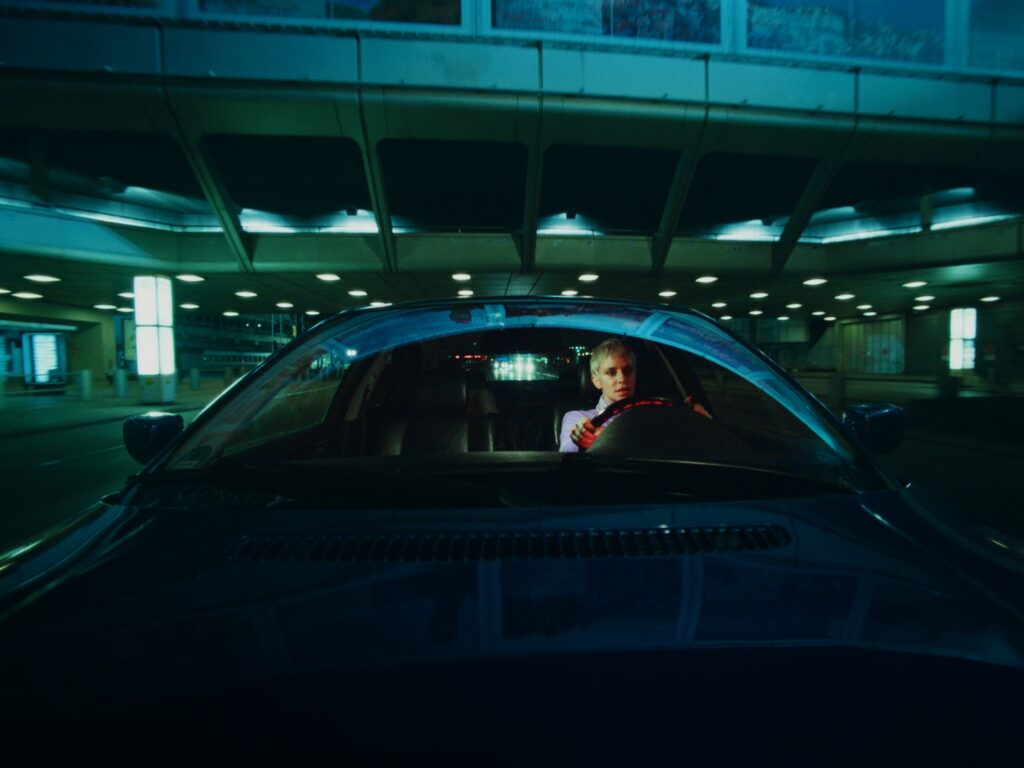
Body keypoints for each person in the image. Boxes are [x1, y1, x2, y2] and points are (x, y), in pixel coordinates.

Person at [559, 338, 636, 452]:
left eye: (628, 370)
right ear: (596, 381)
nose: (622, 379)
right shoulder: (576, 417)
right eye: (611, 373)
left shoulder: (652, 416)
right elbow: (566, 451)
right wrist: (580, 436)